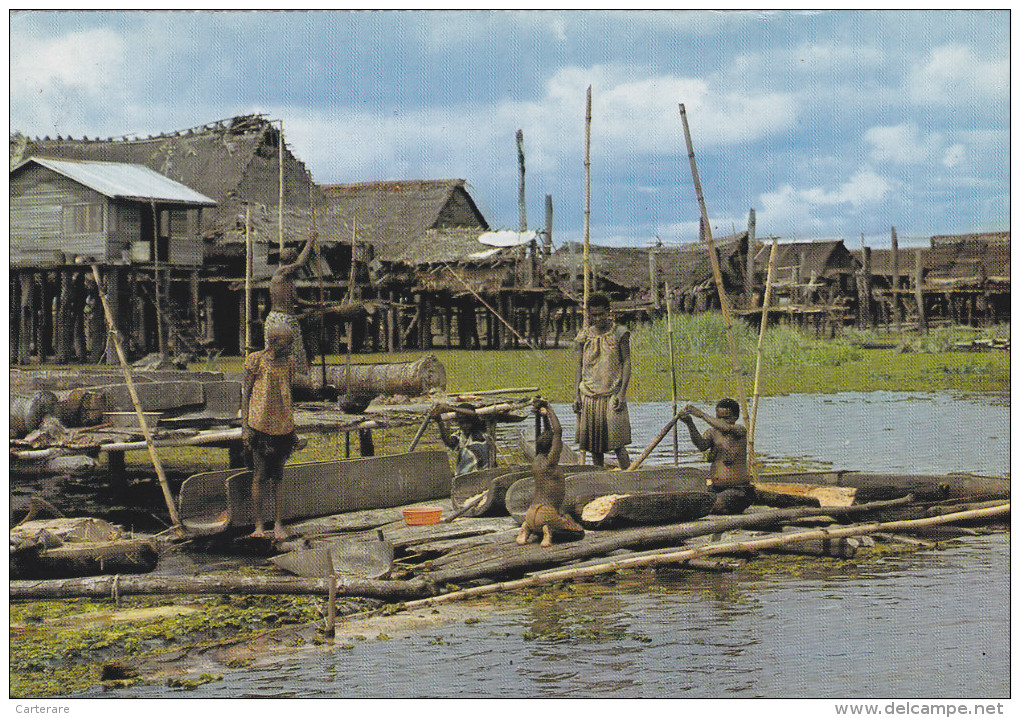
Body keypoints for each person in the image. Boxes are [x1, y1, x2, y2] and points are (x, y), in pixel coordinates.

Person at [242, 323, 314, 540]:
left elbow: (287, 394)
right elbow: (246, 394)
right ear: (273, 343)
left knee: (279, 476)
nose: (291, 346)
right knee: (260, 475)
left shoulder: (289, 363)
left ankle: (279, 523)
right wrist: (245, 426)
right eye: (287, 342)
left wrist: (293, 426)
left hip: (283, 426)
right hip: (260, 425)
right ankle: (258, 525)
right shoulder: (256, 361)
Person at [574, 293, 632, 468]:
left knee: (618, 444)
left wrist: (622, 393)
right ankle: (599, 477)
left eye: (601, 314)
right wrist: (576, 395)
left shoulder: (619, 333)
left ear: (608, 312)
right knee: (594, 446)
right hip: (589, 395)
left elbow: (627, 361)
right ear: (589, 315)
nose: (598, 319)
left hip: (612, 394)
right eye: (594, 315)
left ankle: (628, 475)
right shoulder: (584, 335)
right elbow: (579, 365)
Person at [517, 399, 584, 548]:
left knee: (541, 521)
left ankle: (526, 528)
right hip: (545, 515)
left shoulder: (536, 460)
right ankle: (548, 532)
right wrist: (549, 408)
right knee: (578, 532)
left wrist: (541, 416)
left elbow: (542, 432)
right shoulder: (550, 463)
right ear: (552, 448)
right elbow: (557, 432)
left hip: (530, 513)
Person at [679, 399, 755, 514]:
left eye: (726, 418)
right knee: (693, 503)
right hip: (716, 488)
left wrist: (701, 415)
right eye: (718, 418)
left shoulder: (740, 431)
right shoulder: (712, 432)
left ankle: (726, 508)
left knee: (713, 505)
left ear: (735, 417)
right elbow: (702, 445)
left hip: (739, 490)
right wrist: (690, 423)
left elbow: (726, 428)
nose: (721, 421)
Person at [264, 233, 317, 374]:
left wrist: (315, 305)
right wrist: (310, 242)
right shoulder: (280, 272)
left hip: (287, 318)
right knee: (280, 355)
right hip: (281, 319)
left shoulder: (288, 280)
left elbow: (297, 301)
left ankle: (296, 382)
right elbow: (301, 263)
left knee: (297, 354)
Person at [430, 402, 495, 476]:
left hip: (480, 476)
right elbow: (450, 443)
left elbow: (472, 414)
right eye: (461, 423)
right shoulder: (461, 435)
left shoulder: (480, 435)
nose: (464, 426)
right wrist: (440, 421)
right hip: (465, 478)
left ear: (473, 422)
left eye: (467, 423)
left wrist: (450, 408)